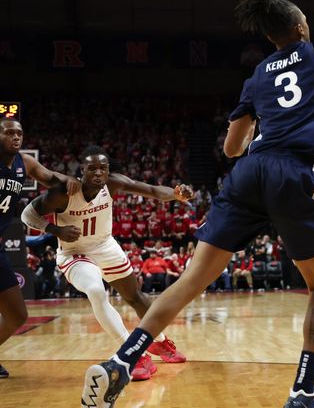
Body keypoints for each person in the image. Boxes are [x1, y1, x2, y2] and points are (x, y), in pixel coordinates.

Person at [80, 0, 314, 408]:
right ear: (301, 29)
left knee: (192, 279)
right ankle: (302, 394)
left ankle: (119, 362)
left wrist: (256, 139)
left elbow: (232, 147)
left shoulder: (257, 76)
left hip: (249, 171)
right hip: (290, 170)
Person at [21, 145, 192, 381]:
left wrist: (175, 194)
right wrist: (55, 229)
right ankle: (132, 354)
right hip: (74, 252)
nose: (98, 173)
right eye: (92, 168)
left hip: (105, 246)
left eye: (103, 168)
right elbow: (27, 214)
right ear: (82, 170)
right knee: (95, 290)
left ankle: (159, 342)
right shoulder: (64, 192)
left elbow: (151, 189)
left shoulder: (113, 183)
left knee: (136, 297)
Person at [0, 117, 80, 378]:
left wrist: (68, 179)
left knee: (17, 314)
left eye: (19, 133)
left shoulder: (26, 162)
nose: (15, 137)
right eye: (9, 133)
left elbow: (50, 177)